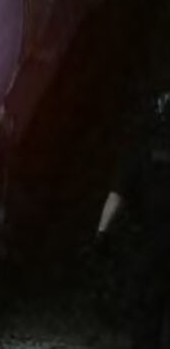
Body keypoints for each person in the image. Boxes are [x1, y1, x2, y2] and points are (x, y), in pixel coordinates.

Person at [95, 91, 170, 348]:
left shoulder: (140, 151)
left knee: (146, 309)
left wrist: (102, 232)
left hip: (149, 242)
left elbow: (117, 195)